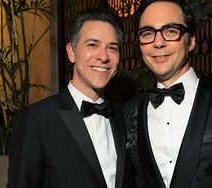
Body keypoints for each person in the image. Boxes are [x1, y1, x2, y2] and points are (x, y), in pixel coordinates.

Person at [123, 0, 212, 187]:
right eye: (147, 33)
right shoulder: (129, 112)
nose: (158, 42)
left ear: (191, 40)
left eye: (171, 31)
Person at [7, 10, 134, 188]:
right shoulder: (36, 120)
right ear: (71, 52)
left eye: (112, 48)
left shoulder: (126, 118)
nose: (103, 56)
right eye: (92, 45)